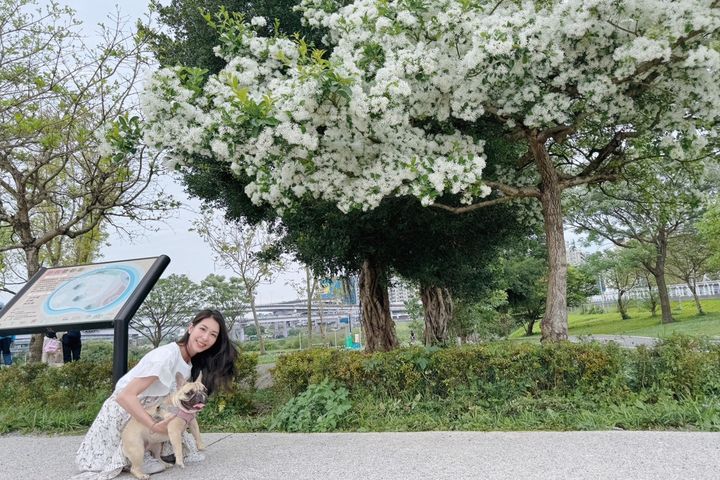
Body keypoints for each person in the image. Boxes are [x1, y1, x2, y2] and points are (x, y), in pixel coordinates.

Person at [72, 309, 237, 480]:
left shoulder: (188, 361)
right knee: (134, 459)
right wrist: (153, 425)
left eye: (213, 334)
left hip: (153, 411)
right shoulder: (166, 356)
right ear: (190, 328)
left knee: (181, 449)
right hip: (124, 413)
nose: (205, 338)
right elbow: (125, 396)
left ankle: (151, 450)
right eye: (202, 329)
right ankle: (139, 454)